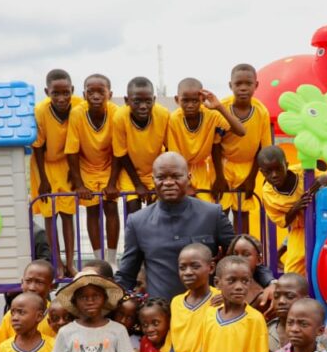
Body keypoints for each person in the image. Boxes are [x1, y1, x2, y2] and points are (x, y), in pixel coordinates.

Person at [115, 151, 236, 301]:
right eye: (161, 177)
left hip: (207, 310)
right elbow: (127, 274)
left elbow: (239, 259)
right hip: (161, 312)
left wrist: (263, 286)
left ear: (189, 178)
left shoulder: (212, 214)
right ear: (153, 180)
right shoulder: (137, 222)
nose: (168, 182)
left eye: (176, 176)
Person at [32, 68, 84, 277]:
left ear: (72, 90)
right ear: (47, 92)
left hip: (68, 162)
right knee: (50, 213)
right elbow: (37, 147)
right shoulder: (40, 111)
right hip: (44, 163)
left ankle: (70, 263)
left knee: (68, 213)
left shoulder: (79, 106)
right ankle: (57, 263)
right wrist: (43, 179)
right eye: (56, 93)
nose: (61, 98)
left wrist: (75, 171)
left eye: (65, 93)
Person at [258, 146, 327, 276]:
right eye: (268, 171)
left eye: (278, 169)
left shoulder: (303, 172)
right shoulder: (268, 193)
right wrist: (296, 207)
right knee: (292, 271)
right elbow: (282, 221)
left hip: (326, 223)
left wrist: (326, 178)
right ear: (262, 172)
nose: (274, 175)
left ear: (286, 165)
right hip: (300, 230)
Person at [66, 73, 120, 265]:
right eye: (91, 92)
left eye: (101, 92)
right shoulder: (77, 114)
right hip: (86, 166)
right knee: (92, 210)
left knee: (111, 206)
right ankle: (99, 260)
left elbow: (118, 151)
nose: (96, 96)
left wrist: (112, 183)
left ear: (109, 94)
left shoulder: (115, 113)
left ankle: (112, 261)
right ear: (84, 94)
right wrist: (79, 184)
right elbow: (72, 151)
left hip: (109, 165)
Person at [165, 78, 246, 204]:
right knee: (181, 205)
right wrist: (186, 184)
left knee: (205, 205)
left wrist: (219, 107)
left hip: (201, 168)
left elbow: (241, 131)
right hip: (179, 169)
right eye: (185, 100)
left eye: (195, 101)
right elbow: (174, 157)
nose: (190, 105)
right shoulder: (174, 119)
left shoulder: (211, 115)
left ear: (202, 99)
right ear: (177, 100)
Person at [218, 64, 273, 229]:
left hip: (248, 167)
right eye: (238, 84)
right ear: (230, 85)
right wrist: (219, 177)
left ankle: (243, 244)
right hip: (223, 164)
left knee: (242, 213)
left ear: (256, 85)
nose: (243, 88)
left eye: (248, 84)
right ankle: (221, 246)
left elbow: (262, 149)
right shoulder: (222, 107)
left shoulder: (261, 112)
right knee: (220, 211)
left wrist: (251, 179)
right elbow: (215, 144)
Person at [110, 76, 169, 215]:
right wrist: (138, 184)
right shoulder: (119, 117)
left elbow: (169, 149)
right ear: (127, 101)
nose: (143, 106)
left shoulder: (163, 115)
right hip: (130, 172)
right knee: (133, 212)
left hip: (155, 171)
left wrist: (163, 176)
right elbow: (121, 153)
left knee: (156, 212)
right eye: (137, 102)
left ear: (154, 100)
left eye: (148, 101)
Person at [224, 233, 276, 313]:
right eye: (235, 254)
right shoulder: (221, 289)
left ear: (259, 260)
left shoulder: (264, 297)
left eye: (246, 254)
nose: (239, 258)